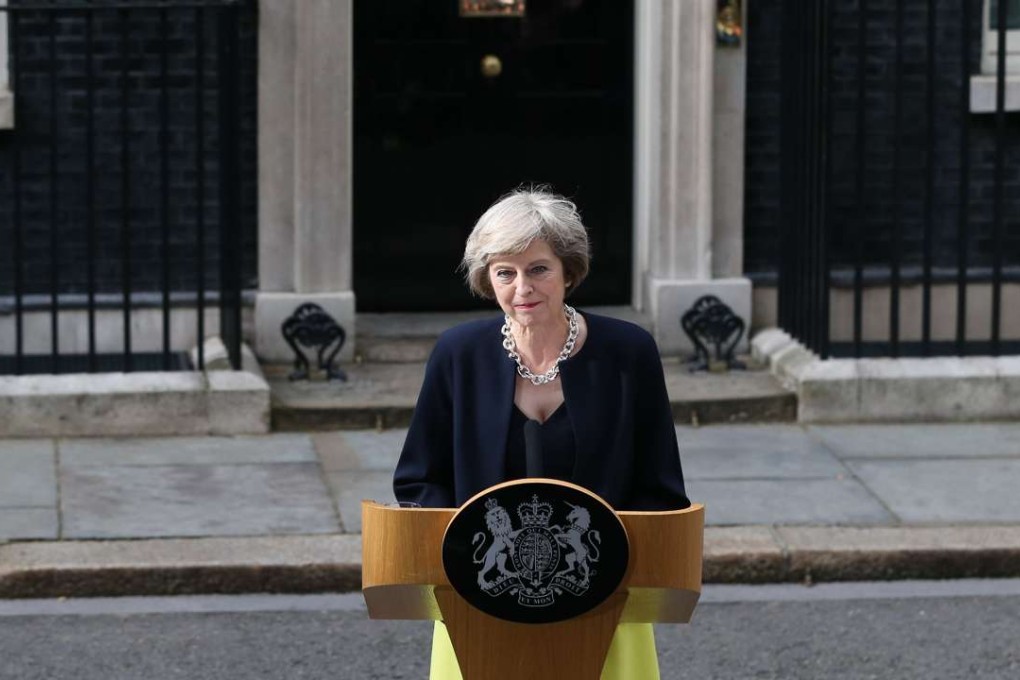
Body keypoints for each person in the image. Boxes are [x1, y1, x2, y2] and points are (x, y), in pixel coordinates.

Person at [393, 188, 691, 680]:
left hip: (603, 598)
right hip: (478, 600)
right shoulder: (457, 354)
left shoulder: (629, 352)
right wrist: (455, 551)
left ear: (568, 271)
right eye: (504, 273)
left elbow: (660, 486)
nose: (522, 288)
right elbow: (419, 479)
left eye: (538, 269)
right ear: (487, 279)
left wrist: (613, 558)